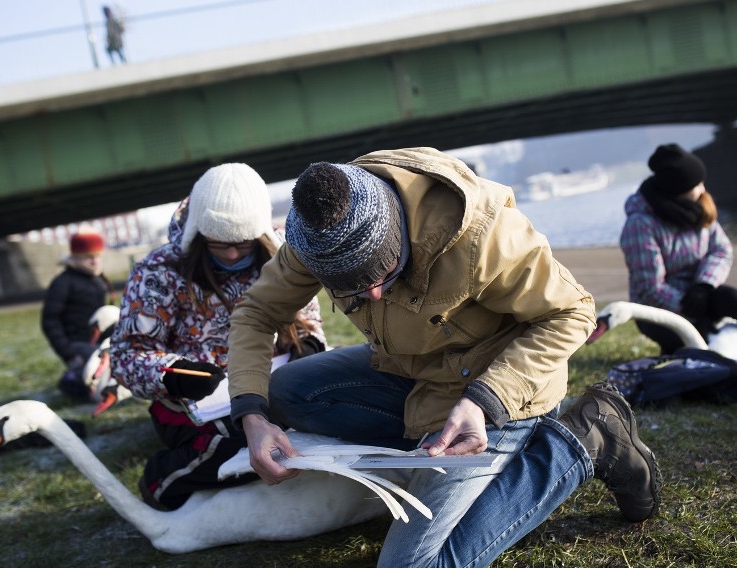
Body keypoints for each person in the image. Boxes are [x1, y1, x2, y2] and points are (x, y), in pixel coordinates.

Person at [226, 147, 662, 566]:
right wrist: (253, 418)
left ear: (395, 226)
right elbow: (257, 313)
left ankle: (584, 440)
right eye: (354, 288)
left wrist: (483, 400)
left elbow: (572, 312)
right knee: (287, 392)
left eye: (383, 271)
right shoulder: (315, 238)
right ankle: (432, 457)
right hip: (412, 371)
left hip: (495, 388)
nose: (373, 294)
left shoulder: (480, 233)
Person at [110, 163, 326, 511]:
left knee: (304, 435)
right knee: (237, 444)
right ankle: (162, 479)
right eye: (218, 244)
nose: (230, 254)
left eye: (242, 244)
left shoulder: (284, 257)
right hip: (192, 403)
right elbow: (126, 356)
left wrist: (310, 345)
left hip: (266, 384)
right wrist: (173, 373)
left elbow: (308, 320)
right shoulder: (159, 271)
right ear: (198, 233)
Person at [619, 143, 737, 376]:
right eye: (697, 183)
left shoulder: (698, 208)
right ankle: (686, 352)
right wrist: (688, 306)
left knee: (730, 297)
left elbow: (721, 250)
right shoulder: (640, 225)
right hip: (659, 310)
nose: (703, 187)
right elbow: (649, 288)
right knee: (704, 348)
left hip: (698, 294)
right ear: (677, 189)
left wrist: (704, 285)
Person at [42, 229, 114, 400]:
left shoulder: (97, 278)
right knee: (96, 387)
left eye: (98, 256)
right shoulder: (63, 283)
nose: (94, 261)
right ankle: (72, 381)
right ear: (77, 256)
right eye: (89, 256)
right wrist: (68, 352)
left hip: (101, 342)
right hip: (79, 345)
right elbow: (50, 320)